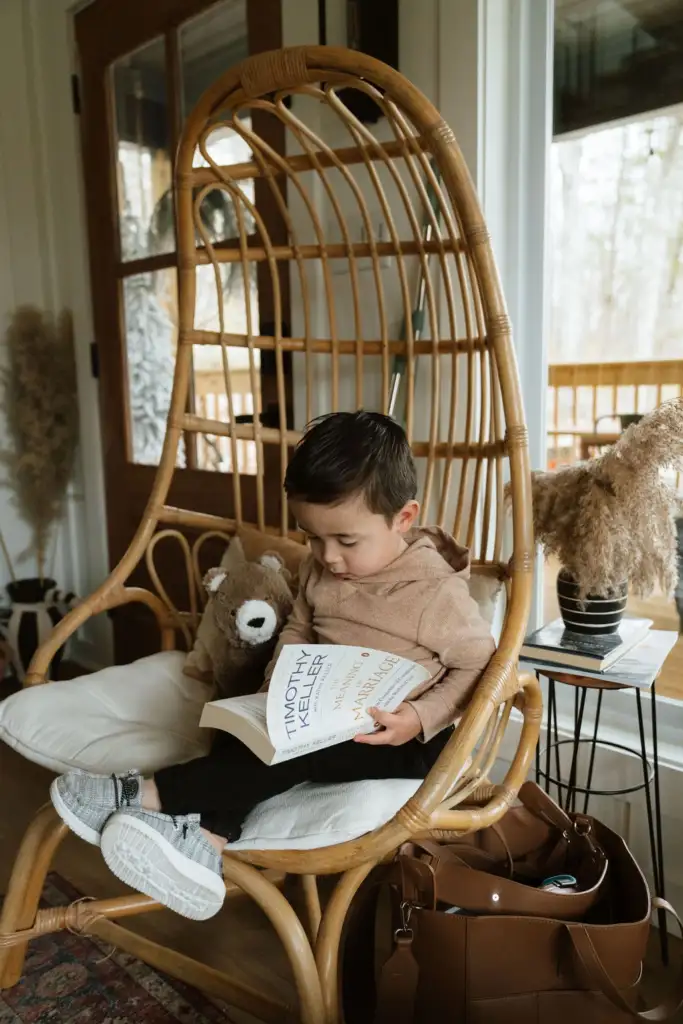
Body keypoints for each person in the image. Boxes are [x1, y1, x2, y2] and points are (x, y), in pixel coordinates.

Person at [50, 412, 495, 920]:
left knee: (297, 749)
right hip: (325, 712)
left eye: (346, 541)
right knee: (243, 726)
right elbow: (299, 629)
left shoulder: (434, 593)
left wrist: (417, 717)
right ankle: (205, 844)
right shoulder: (321, 570)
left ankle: (144, 793)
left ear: (404, 518)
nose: (328, 556)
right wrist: (275, 688)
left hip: (402, 740)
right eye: (312, 537)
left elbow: (481, 665)